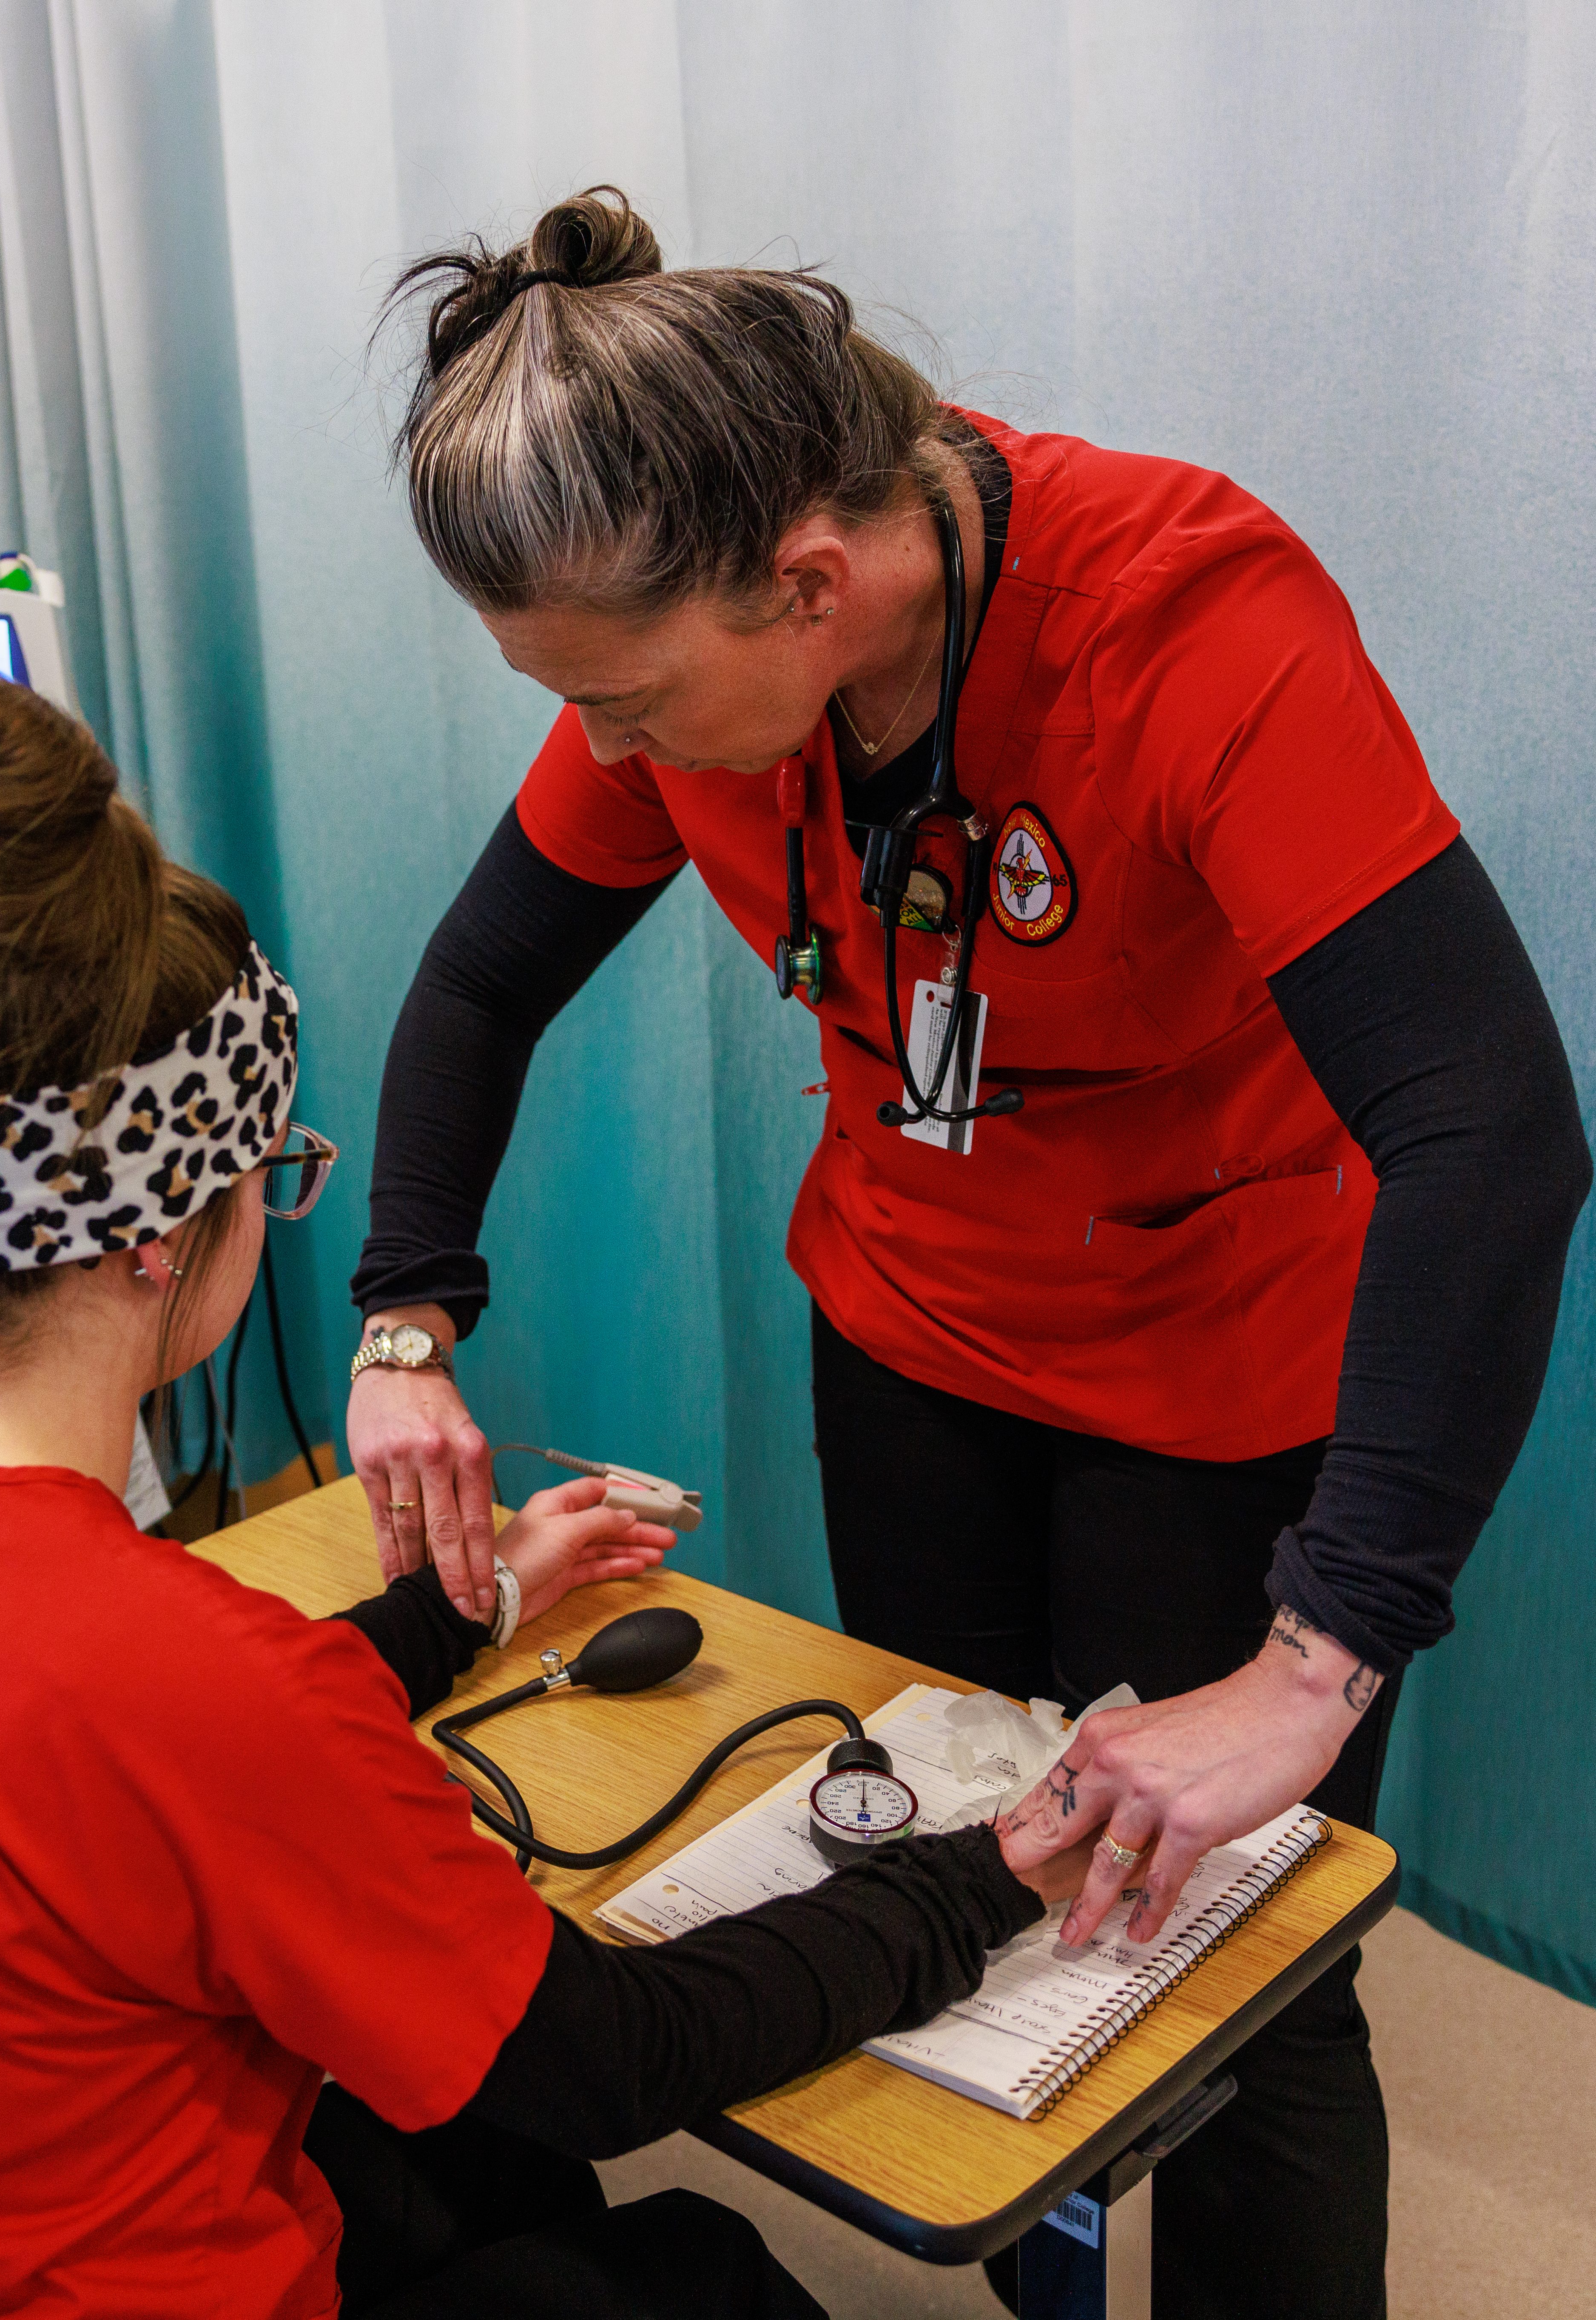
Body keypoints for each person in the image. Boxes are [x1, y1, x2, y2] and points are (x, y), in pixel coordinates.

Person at [345, 188, 1590, 2319]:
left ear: (812, 582)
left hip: (1213, 1390)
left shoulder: (1188, 624)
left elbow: (1491, 1131)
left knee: (1239, 1971)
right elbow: (480, 982)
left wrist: (1316, 1661)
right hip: (915, 1348)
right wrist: (405, 1310)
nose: (612, 758)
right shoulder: (689, 647)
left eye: (631, 704)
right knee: (976, 1868)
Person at [0, 663, 1101, 2320]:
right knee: (692, 2266)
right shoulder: (181, 1682)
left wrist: (470, 1597)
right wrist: (986, 1873)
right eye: (279, 1171)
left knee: (471, 2169)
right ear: (155, 1232)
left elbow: (101, 1773)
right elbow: (620, 2056)